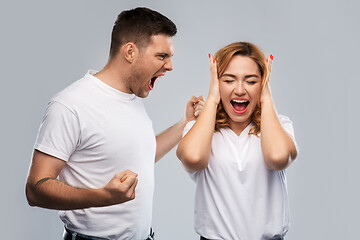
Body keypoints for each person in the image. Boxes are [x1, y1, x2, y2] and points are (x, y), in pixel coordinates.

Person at [25, 7, 203, 240]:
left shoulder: (132, 98)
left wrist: (184, 123)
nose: (169, 65)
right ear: (130, 52)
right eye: (162, 56)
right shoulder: (70, 105)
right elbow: (35, 189)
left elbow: (140, 154)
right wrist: (103, 196)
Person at [176, 42, 299, 240]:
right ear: (217, 83)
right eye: (229, 80)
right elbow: (192, 157)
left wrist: (266, 98)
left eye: (251, 81)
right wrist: (213, 99)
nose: (240, 90)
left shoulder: (280, 125)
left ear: (263, 84)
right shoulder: (202, 131)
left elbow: (277, 158)